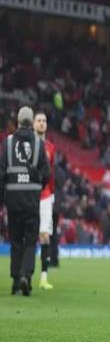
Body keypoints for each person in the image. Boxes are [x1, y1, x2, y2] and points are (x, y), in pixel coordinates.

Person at [0, 106, 49, 296]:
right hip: (31, 201)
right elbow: (46, 174)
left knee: (15, 241)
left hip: (12, 200)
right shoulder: (39, 144)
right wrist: (36, 186)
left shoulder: (7, 143)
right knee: (30, 240)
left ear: (19, 121)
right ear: (32, 122)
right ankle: (26, 276)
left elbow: (1, 173)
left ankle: (15, 280)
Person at [33, 112, 56, 290]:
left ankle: (43, 277)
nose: (41, 123)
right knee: (28, 235)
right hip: (30, 195)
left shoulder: (51, 147)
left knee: (45, 236)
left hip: (46, 196)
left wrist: (52, 193)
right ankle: (25, 273)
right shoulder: (28, 145)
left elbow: (51, 172)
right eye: (39, 120)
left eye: (44, 121)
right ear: (33, 124)